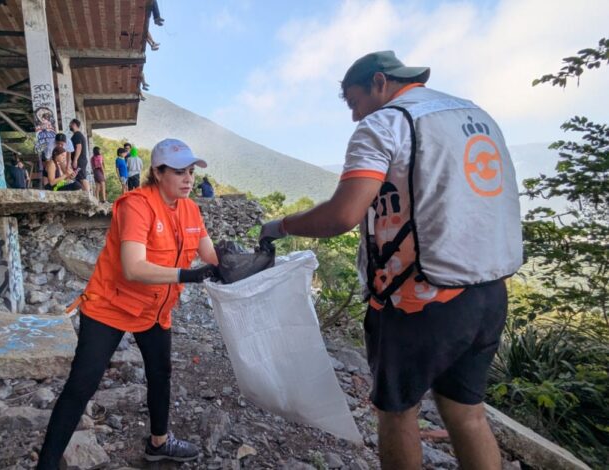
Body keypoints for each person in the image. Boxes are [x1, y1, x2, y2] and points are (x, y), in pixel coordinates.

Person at [259, 51, 522, 470]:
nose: (354, 115)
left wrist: (281, 226)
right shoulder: (476, 116)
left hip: (420, 299)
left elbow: (343, 215)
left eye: (353, 102)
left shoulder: (386, 123)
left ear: (379, 82)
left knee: (397, 412)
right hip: (489, 292)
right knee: (467, 412)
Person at [37, 138, 219, 468]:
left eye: (191, 171)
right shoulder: (136, 205)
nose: (188, 179)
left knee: (161, 373)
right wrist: (189, 276)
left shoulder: (190, 208)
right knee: (82, 385)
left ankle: (159, 443)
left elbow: (210, 254)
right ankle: (46, 465)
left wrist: (241, 261)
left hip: (154, 309)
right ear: (157, 172)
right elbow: (134, 267)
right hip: (111, 306)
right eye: (179, 172)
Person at [69, 119, 90, 193]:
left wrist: (75, 160)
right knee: (79, 178)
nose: (69, 126)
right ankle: (85, 196)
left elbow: (79, 147)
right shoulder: (77, 135)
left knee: (82, 178)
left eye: (70, 124)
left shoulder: (77, 135)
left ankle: (88, 196)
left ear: (74, 124)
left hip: (79, 161)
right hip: (80, 160)